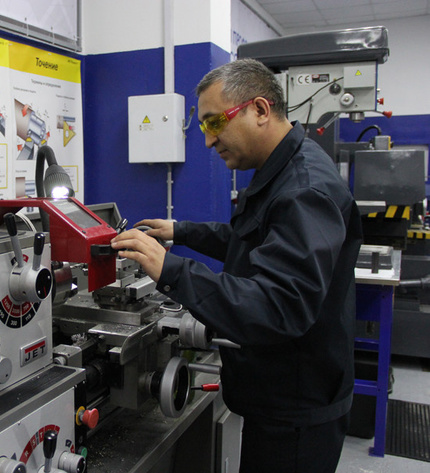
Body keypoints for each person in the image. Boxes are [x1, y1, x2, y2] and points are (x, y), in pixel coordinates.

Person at [111, 58, 362, 473]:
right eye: (203, 127)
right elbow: (254, 242)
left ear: (260, 110)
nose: (209, 141)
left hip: (296, 413)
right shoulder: (284, 169)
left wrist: (170, 270)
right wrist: (182, 231)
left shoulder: (304, 190)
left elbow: (276, 305)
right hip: (281, 394)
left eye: (214, 123)